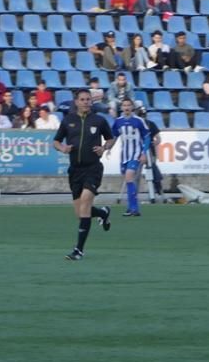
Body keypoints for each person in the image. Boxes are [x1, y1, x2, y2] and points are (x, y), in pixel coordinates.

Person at [52, 89, 114, 261]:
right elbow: (56, 141)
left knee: (86, 201)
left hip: (93, 168)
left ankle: (78, 250)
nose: (86, 102)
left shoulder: (99, 120)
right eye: (82, 99)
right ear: (76, 102)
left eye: (88, 99)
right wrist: (62, 148)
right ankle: (102, 213)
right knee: (81, 213)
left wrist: (104, 148)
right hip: (75, 171)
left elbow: (111, 138)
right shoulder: (68, 121)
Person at [111, 98, 151, 217]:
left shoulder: (139, 121)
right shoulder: (118, 121)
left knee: (129, 178)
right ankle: (130, 207)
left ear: (132, 107)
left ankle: (134, 208)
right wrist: (107, 148)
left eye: (129, 105)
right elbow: (114, 136)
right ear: (121, 107)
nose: (126, 107)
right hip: (124, 155)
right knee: (128, 181)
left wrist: (144, 153)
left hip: (136, 154)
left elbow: (147, 137)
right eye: (124, 105)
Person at [137, 105, 164, 200]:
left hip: (149, 150)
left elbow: (158, 138)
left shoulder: (151, 124)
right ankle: (134, 192)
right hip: (138, 150)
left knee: (152, 167)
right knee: (136, 172)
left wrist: (153, 142)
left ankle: (157, 186)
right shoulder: (135, 124)